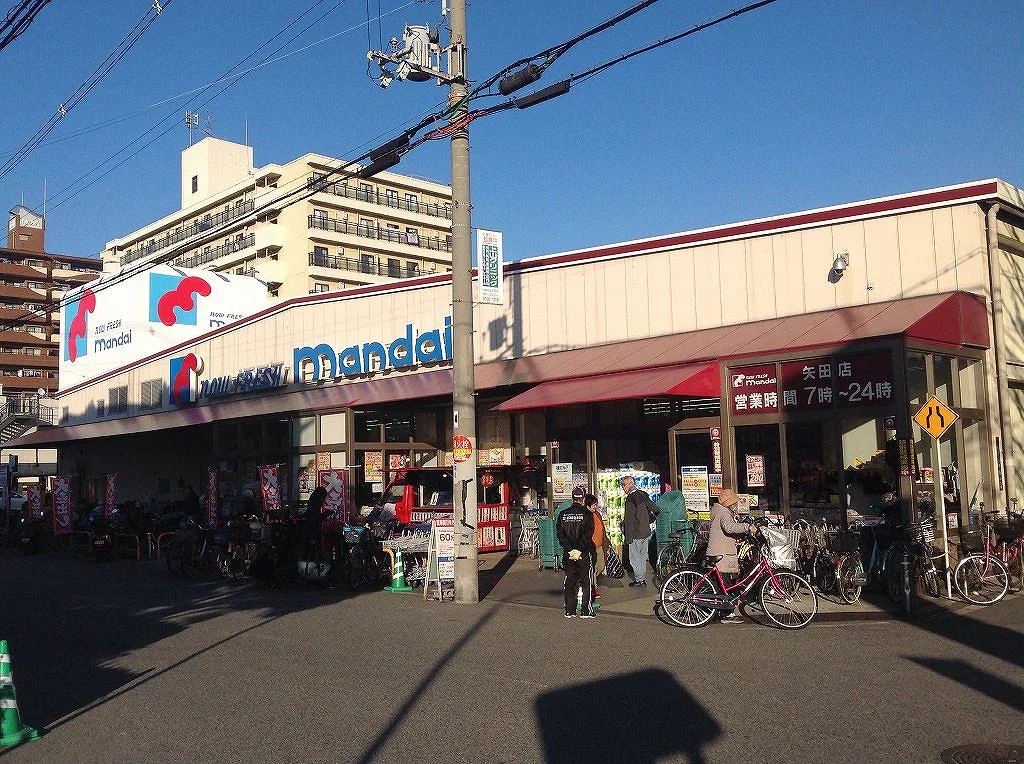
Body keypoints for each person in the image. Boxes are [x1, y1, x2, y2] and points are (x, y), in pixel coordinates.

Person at [707, 488, 757, 624]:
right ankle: (727, 614)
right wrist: (747, 527)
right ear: (729, 503)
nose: (736, 505)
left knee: (722, 584)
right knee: (725, 584)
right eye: (734, 503)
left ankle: (723, 611)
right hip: (721, 554)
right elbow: (729, 527)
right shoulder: (724, 513)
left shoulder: (720, 511)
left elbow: (725, 531)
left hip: (719, 552)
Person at [556, 486, 596, 618]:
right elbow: (588, 535)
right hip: (583, 553)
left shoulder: (563, 514)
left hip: (568, 555)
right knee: (586, 582)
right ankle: (586, 611)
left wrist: (570, 550)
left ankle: (570, 610)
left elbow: (560, 535)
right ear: (583, 499)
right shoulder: (587, 514)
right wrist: (579, 550)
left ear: (572, 498)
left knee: (570, 581)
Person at [622, 475, 659, 587]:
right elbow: (656, 509)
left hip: (635, 533)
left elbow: (629, 519)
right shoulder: (643, 494)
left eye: (623, 485)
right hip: (646, 532)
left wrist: (628, 537)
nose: (623, 488)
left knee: (635, 558)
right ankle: (641, 578)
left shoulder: (630, 498)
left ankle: (640, 580)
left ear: (629, 484)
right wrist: (648, 520)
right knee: (642, 557)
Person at [585, 494, 606, 599]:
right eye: (594, 505)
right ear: (588, 505)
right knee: (592, 568)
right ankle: (594, 588)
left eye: (596, 504)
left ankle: (588, 580)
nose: (595, 506)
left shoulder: (597, 514)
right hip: (591, 546)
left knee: (601, 566)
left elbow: (602, 529)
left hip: (599, 545)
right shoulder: (585, 515)